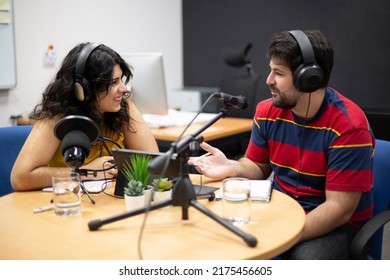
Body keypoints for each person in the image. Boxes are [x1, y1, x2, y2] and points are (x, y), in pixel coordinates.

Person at [188, 30, 375, 259]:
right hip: (283, 210)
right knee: (222, 241)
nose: (268, 80)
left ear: (308, 79)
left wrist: (282, 235)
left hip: (335, 224)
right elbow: (257, 165)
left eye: (278, 73)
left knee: (302, 262)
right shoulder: (267, 111)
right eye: (270, 70)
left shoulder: (348, 125)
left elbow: (338, 210)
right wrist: (233, 167)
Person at [11, 43, 159, 191]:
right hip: (64, 204)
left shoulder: (123, 106)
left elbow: (154, 164)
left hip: (106, 203)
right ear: (84, 89)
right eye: (114, 82)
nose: (123, 88)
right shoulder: (58, 115)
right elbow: (20, 178)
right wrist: (85, 172)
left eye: (121, 79)